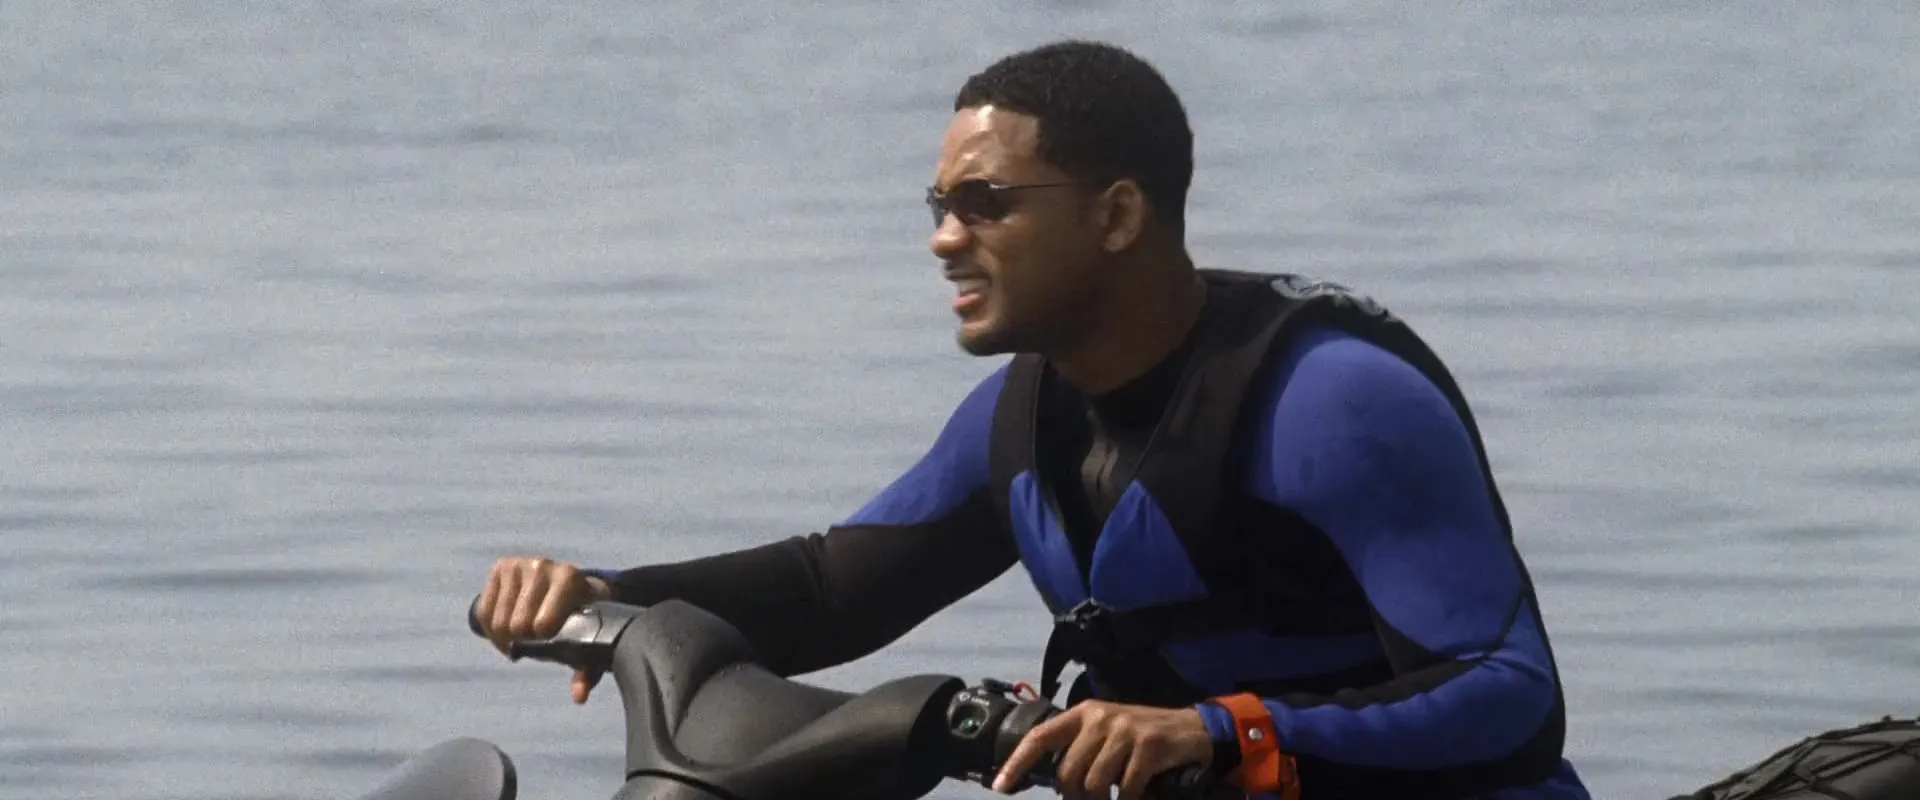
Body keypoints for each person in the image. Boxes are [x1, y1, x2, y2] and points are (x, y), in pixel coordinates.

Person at [473, 40, 1593, 800]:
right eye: (939, 206)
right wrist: (605, 594)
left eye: (986, 203)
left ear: (1118, 215)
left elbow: (1509, 698)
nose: (943, 239)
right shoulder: (1020, 417)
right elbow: (832, 590)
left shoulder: (1332, 403)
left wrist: (1221, 730)